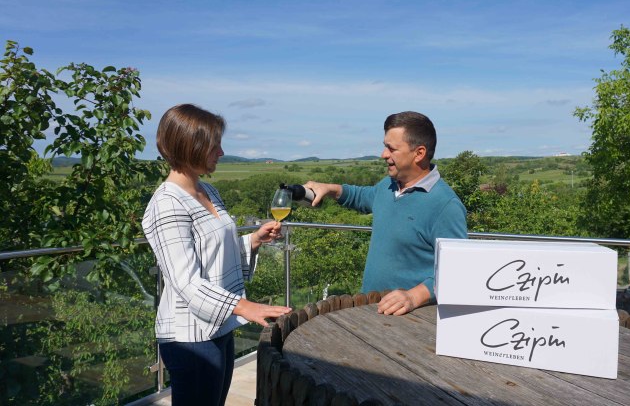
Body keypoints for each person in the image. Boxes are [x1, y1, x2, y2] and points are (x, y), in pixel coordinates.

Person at [142, 104, 291, 406]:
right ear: (190, 146)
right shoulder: (168, 204)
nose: (221, 152)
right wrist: (246, 306)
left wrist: (253, 240)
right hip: (190, 336)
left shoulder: (207, 190)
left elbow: (214, 252)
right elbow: (186, 281)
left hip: (219, 324)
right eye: (214, 145)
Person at [305, 111, 467, 316]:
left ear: (419, 153)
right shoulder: (389, 185)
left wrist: (413, 297)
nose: (383, 154)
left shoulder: (445, 205)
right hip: (371, 308)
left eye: (391, 148)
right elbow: (363, 196)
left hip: (411, 318)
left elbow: (456, 271)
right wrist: (330, 188)